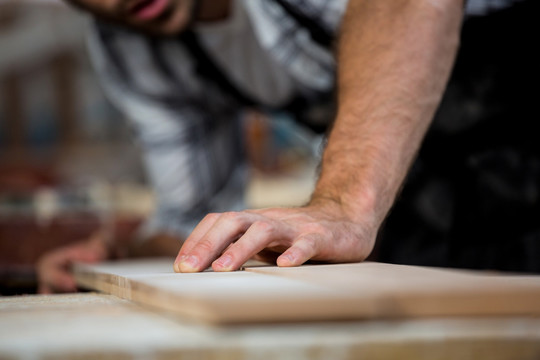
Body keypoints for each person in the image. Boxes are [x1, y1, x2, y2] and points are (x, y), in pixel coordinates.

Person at [37, 0, 536, 293]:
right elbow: (191, 217)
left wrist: (343, 205)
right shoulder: (134, 48)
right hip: (420, 201)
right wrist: (120, 255)